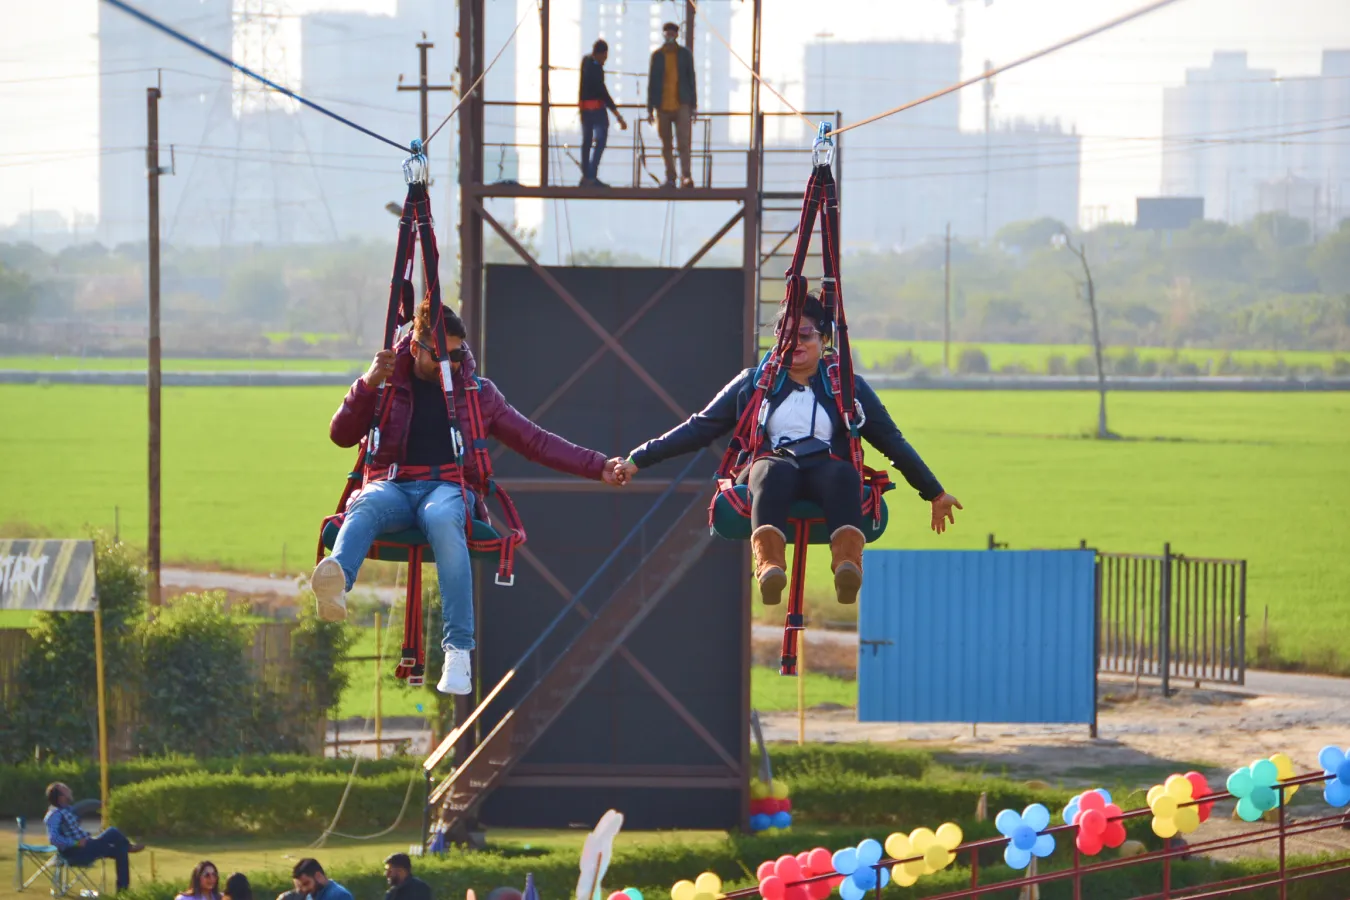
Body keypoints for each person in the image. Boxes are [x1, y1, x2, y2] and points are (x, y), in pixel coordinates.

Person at [313, 299, 626, 694]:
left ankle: (458, 650)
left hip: (448, 488)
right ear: (416, 347)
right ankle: (337, 584)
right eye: (443, 354)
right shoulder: (387, 384)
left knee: (445, 520)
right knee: (366, 503)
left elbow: (534, 441)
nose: (453, 362)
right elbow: (341, 435)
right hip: (392, 484)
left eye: (458, 353)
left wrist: (596, 465)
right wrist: (367, 383)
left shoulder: (479, 394)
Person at [616, 291, 963, 604]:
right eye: (785, 335)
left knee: (843, 474)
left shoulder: (846, 387)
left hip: (824, 467)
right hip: (772, 465)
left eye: (804, 335)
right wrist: (638, 459)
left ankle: (847, 564)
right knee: (772, 471)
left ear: (824, 339)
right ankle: (769, 565)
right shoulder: (753, 384)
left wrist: (933, 492)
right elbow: (699, 428)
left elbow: (891, 440)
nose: (793, 343)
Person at [42, 782, 145, 891]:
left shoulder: (66, 809)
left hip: (87, 847)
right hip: (77, 851)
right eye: (66, 789)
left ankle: (123, 891)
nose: (70, 791)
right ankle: (129, 846)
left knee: (120, 850)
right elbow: (53, 838)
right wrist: (76, 843)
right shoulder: (54, 815)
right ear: (61, 797)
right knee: (112, 832)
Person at [646, 22, 697, 189]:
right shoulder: (657, 56)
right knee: (666, 145)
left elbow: (691, 79)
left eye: (671, 33)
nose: (668, 36)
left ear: (676, 35)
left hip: (682, 103)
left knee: (683, 142)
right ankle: (670, 178)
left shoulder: (684, 55)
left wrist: (693, 105)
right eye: (666, 33)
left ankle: (686, 176)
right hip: (662, 106)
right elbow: (652, 83)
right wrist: (650, 109)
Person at [579, 39, 627, 187]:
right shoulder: (595, 68)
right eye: (605, 57)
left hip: (585, 109)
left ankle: (587, 175)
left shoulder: (586, 62)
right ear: (601, 54)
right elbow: (602, 92)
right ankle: (590, 175)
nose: (605, 60)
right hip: (596, 109)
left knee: (587, 141)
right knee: (600, 140)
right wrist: (617, 115)